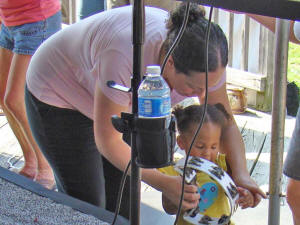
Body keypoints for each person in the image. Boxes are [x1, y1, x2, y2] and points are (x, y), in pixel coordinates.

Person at [24, 3, 265, 218]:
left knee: (126, 201)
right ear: (169, 63)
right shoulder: (124, 52)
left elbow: (226, 122)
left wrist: (241, 173)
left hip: (120, 100)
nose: (201, 94)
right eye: (193, 87)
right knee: (89, 204)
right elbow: (108, 140)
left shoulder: (208, 62)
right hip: (57, 92)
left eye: (208, 85)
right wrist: (163, 182)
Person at [0, 0, 62, 189]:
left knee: (15, 100)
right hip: (8, 20)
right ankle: (31, 162)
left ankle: (47, 168)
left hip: (35, 20)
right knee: (3, 96)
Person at [159, 104, 254, 225]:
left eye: (214, 146)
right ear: (181, 142)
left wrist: (246, 196)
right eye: (200, 146)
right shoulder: (175, 171)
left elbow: (236, 190)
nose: (207, 153)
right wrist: (179, 196)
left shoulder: (222, 165)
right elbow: (168, 208)